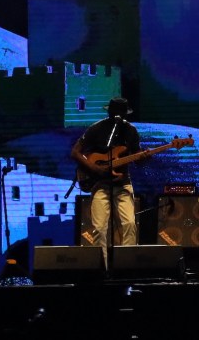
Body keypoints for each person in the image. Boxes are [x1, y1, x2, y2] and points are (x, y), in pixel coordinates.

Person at [70, 96, 141, 269]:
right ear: (109, 112)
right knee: (99, 228)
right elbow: (76, 152)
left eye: (121, 112)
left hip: (122, 183)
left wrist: (144, 156)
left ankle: (127, 267)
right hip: (100, 184)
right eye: (115, 112)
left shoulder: (131, 131)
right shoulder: (97, 128)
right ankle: (102, 269)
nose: (118, 115)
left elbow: (137, 158)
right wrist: (95, 169)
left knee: (129, 224)